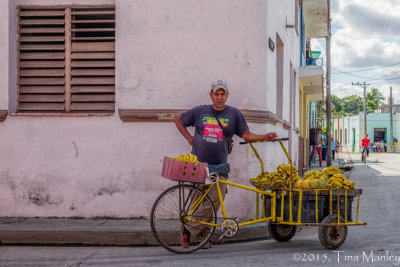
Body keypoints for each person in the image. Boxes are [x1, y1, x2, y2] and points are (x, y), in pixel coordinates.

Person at [174, 80, 277, 249]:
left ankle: (187, 228)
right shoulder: (200, 111)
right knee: (199, 202)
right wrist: (188, 138)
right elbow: (179, 119)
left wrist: (265, 136)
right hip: (198, 164)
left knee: (214, 200)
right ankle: (202, 236)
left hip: (219, 166)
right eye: (216, 94)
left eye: (223, 94)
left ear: (227, 96)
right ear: (211, 95)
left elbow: (247, 135)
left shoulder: (234, 114)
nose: (219, 97)